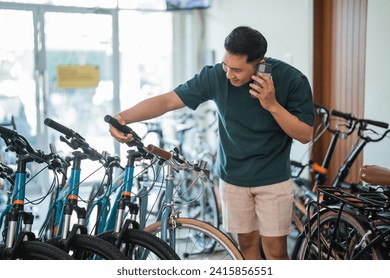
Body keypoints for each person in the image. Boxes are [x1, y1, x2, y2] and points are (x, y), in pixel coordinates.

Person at [109, 26, 314, 260]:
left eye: (237, 69)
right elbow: (168, 101)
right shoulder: (216, 75)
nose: (229, 74)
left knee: (276, 252)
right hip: (232, 178)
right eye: (226, 65)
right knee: (245, 247)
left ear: (259, 64)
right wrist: (122, 118)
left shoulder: (292, 79)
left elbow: (305, 134)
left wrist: (271, 104)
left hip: (273, 180)